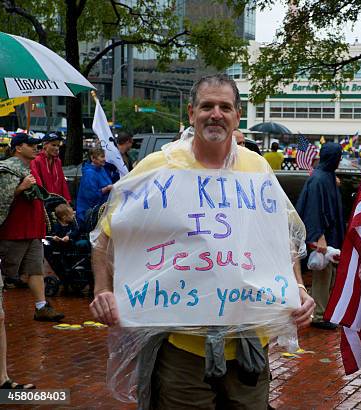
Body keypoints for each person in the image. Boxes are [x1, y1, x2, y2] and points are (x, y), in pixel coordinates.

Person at [88, 74, 315, 409]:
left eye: (225, 107)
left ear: (238, 115)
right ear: (191, 113)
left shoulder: (257, 168)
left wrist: (298, 288)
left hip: (249, 345)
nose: (216, 114)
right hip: (182, 348)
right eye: (207, 106)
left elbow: (281, 241)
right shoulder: (158, 168)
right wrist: (102, 290)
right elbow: (105, 238)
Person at [0, 133, 64, 321]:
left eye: (37, 145)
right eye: (31, 145)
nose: (36, 148)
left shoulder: (31, 168)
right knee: (8, 273)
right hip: (14, 231)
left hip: (33, 230)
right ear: (19, 148)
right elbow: (2, 199)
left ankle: (41, 306)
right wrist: (21, 188)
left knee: (36, 269)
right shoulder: (7, 169)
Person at [296, 143, 344, 330]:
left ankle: (321, 311)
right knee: (322, 276)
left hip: (329, 234)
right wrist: (319, 236)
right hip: (324, 235)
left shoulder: (326, 176)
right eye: (338, 157)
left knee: (327, 274)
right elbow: (314, 209)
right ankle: (318, 314)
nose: (340, 160)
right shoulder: (319, 179)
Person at [76, 148, 113, 226]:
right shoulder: (89, 174)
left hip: (102, 210)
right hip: (90, 214)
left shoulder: (101, 169)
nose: (104, 159)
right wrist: (106, 189)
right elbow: (91, 196)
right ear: (93, 158)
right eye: (102, 157)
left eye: (104, 157)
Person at [30, 132, 71, 201]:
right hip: (44, 201)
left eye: (58, 146)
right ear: (44, 145)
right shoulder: (36, 160)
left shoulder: (58, 161)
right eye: (53, 145)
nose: (57, 148)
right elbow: (37, 184)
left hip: (57, 200)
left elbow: (62, 182)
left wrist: (67, 200)